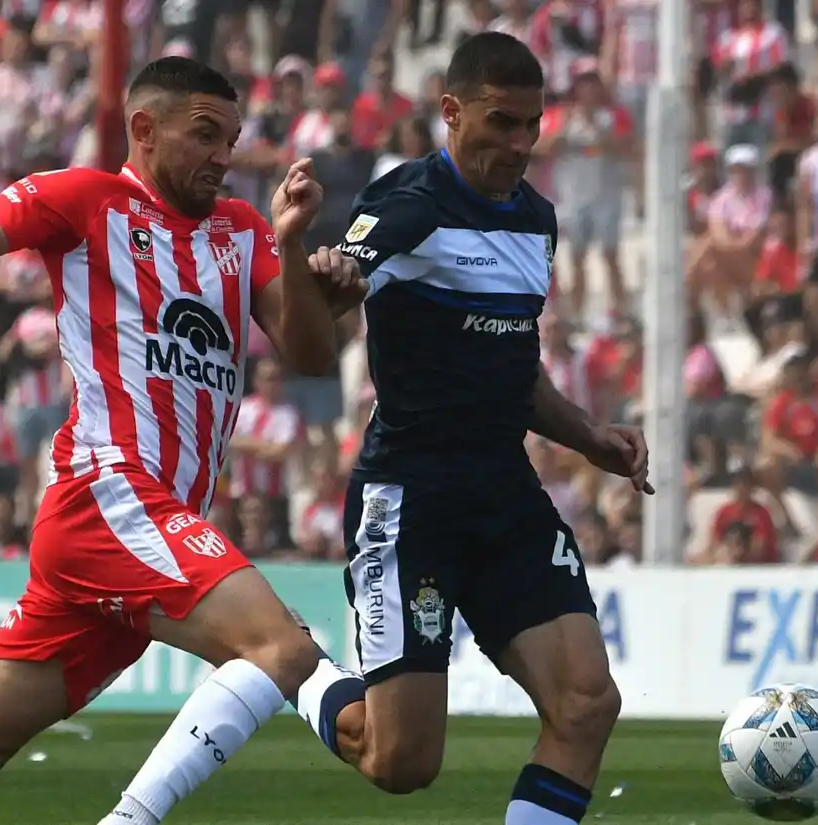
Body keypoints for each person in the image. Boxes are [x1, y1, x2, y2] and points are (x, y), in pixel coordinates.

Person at [0, 57, 361, 825]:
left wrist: (294, 248)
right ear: (145, 130)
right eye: (205, 135)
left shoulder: (242, 231)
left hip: (133, 528)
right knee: (281, 647)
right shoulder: (88, 200)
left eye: (232, 138)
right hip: (111, 493)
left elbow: (313, 353)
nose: (225, 156)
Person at [106, 32, 652, 825]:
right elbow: (319, 325)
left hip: (505, 494)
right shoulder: (407, 206)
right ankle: (297, 666)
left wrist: (588, 435)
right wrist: (308, 260)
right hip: (413, 502)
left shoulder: (536, 219)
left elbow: (513, 363)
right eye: (502, 123)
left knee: (586, 702)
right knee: (400, 762)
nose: (520, 143)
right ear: (452, 113)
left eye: (532, 125)